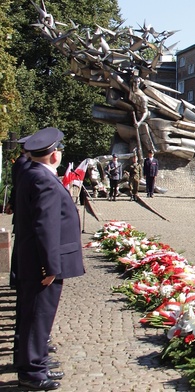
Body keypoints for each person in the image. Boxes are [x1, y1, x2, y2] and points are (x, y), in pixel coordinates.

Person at [14, 127, 85, 390]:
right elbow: (45, 226)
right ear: (54, 155)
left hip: (34, 259)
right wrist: (50, 265)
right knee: (38, 315)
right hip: (41, 263)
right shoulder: (42, 179)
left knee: (34, 315)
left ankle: (35, 363)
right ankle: (33, 372)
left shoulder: (32, 174)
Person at [7, 135, 32, 288]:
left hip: (20, 209)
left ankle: (16, 279)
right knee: (21, 248)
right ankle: (17, 279)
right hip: (23, 211)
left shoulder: (21, 162)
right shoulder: (24, 164)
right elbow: (19, 188)